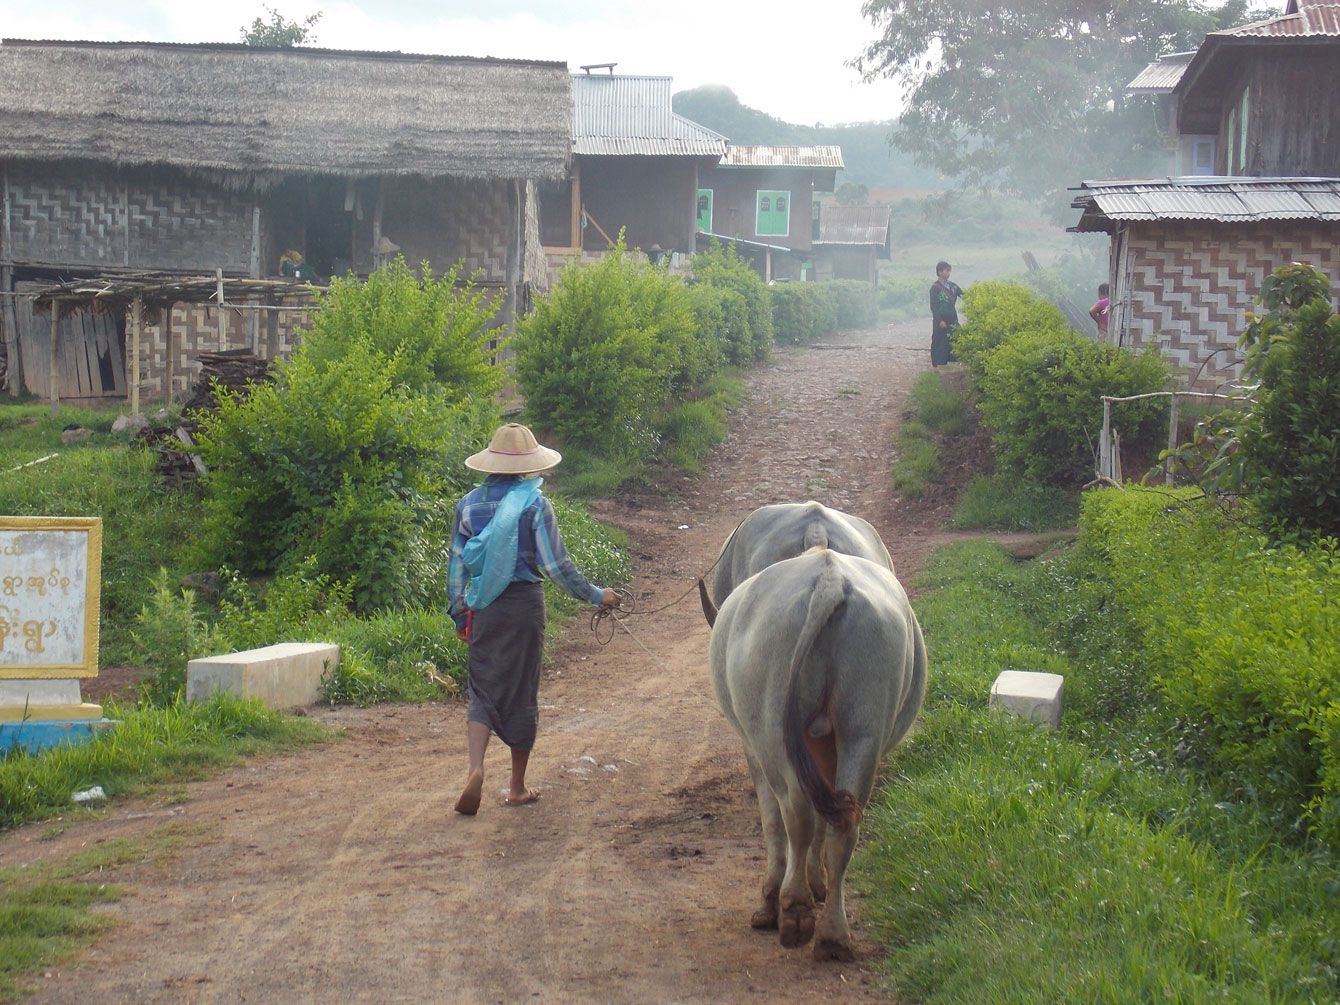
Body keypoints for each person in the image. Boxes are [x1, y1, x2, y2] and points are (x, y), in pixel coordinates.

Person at [448, 422, 620, 815]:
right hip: (524, 608)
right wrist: (597, 595)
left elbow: (456, 568)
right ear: (527, 465)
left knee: (481, 690)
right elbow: (556, 567)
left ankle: (476, 769)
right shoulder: (535, 505)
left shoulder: (468, 506)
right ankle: (517, 787)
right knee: (522, 692)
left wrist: (460, 616)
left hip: (484, 609)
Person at [929, 261, 963, 367]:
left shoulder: (953, 286)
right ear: (940, 272)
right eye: (946, 270)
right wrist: (940, 321)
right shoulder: (935, 288)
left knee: (955, 339)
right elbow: (934, 307)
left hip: (952, 319)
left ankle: (953, 364)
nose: (948, 273)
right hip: (940, 321)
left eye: (949, 271)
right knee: (939, 342)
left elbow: (964, 295)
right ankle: (937, 366)